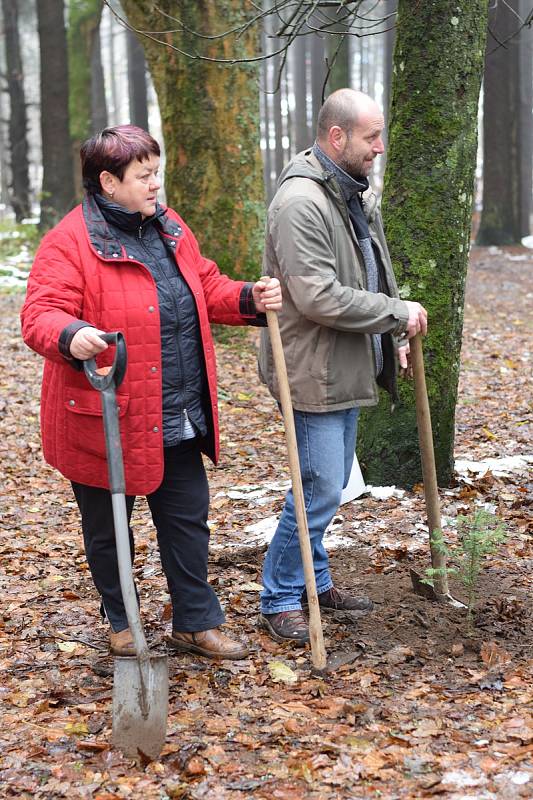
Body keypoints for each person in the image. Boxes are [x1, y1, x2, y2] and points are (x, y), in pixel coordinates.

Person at [21, 124, 281, 660]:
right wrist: (72, 335)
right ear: (107, 182)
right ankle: (123, 621)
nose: (155, 185)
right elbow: (39, 313)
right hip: (105, 417)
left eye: (156, 173)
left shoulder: (169, 229)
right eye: (144, 176)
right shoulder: (69, 242)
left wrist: (248, 297)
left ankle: (195, 622)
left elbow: (206, 286)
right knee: (108, 530)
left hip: (177, 407)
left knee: (187, 519)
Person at [257, 89, 428, 643]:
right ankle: (281, 596)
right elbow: (319, 298)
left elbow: (373, 271)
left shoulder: (352, 193)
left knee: (327, 486)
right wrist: (395, 313)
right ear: (338, 138)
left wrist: (393, 332)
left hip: (346, 363)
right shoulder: (302, 203)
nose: (379, 147)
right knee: (318, 489)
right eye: (371, 137)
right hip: (312, 370)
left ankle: (316, 580)